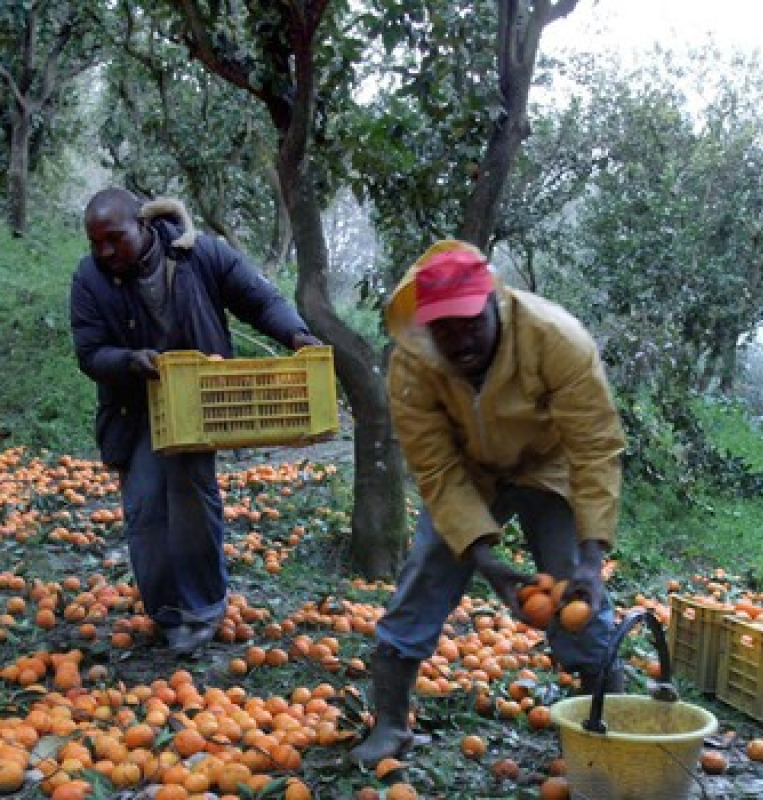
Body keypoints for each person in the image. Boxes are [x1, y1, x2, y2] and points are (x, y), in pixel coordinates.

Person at [349, 239, 626, 766]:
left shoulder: (555, 340)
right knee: (428, 570)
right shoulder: (413, 364)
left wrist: (592, 560)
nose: (458, 340)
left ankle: (604, 725)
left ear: (493, 303)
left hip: (549, 465)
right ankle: (389, 724)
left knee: (575, 591)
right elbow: (434, 465)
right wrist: (482, 559)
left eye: (469, 322)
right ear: (425, 327)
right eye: (443, 329)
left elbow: (594, 448)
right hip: (469, 471)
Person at [70, 188, 320, 655]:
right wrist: (129, 360)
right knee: (146, 508)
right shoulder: (90, 279)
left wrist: (296, 334)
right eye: (95, 242)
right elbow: (89, 352)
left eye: (114, 239)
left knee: (190, 500)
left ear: (142, 226)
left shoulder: (197, 254)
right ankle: (167, 614)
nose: (105, 252)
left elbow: (258, 299)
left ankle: (202, 609)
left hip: (195, 401)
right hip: (135, 407)